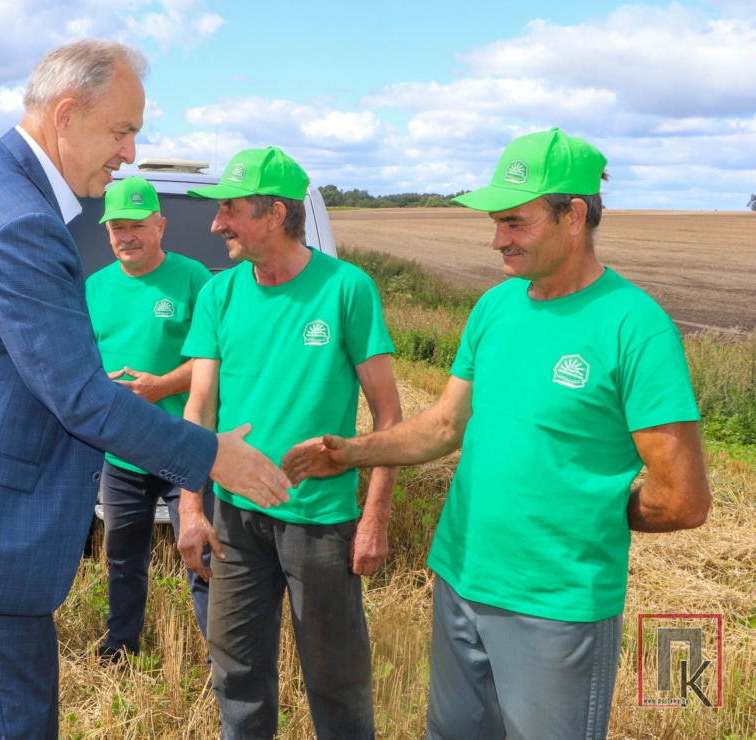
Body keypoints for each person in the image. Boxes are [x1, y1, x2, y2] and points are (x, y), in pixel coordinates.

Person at [0, 39, 291, 740]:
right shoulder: (20, 223)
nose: (129, 154)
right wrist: (211, 455)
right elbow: (82, 398)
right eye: (121, 131)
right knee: (14, 724)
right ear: (65, 115)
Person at [282, 128, 712, 740]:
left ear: (574, 216)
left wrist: (590, 514)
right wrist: (353, 453)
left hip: (556, 604)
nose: (497, 240)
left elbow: (684, 499)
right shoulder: (495, 308)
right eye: (495, 223)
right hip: (459, 578)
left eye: (514, 222)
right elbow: (444, 424)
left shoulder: (635, 328)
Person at [175, 146, 403, 740]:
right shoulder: (219, 294)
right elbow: (199, 409)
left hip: (320, 521)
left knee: (335, 677)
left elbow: (388, 414)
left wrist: (375, 517)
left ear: (275, 213)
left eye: (229, 210)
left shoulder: (346, 289)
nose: (216, 224)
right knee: (236, 670)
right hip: (235, 518)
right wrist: (192, 507)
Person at [85, 176, 215, 662]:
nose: (127, 237)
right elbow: (81, 360)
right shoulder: (95, 287)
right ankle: (121, 646)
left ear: (160, 226)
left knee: (200, 554)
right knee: (122, 558)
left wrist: (162, 386)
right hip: (122, 454)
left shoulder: (194, 278)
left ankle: (220, 658)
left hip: (183, 446)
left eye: (137, 226)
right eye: (117, 227)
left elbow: (213, 361)